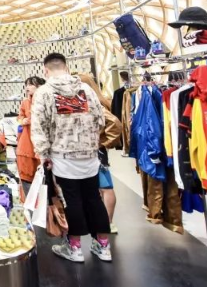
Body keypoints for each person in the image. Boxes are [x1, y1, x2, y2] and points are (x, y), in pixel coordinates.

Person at [31, 53, 111, 264]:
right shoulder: (86, 89)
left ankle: (74, 248)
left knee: (71, 200)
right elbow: (101, 119)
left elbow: (39, 127)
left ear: (45, 70)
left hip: (62, 157)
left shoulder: (44, 92)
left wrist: (43, 154)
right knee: (94, 198)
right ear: (66, 67)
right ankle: (103, 246)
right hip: (89, 155)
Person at [78, 73, 122, 235]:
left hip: (95, 151)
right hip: (92, 150)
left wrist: (103, 143)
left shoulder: (94, 104)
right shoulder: (90, 102)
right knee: (100, 187)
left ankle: (108, 223)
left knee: (105, 186)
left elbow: (115, 124)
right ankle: (104, 222)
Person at [16, 77, 44, 188]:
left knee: (43, 177)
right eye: (26, 85)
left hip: (41, 142)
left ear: (40, 87)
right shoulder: (25, 102)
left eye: (31, 85)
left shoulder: (44, 101)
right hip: (27, 141)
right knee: (27, 176)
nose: (27, 87)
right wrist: (23, 121)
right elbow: (19, 117)